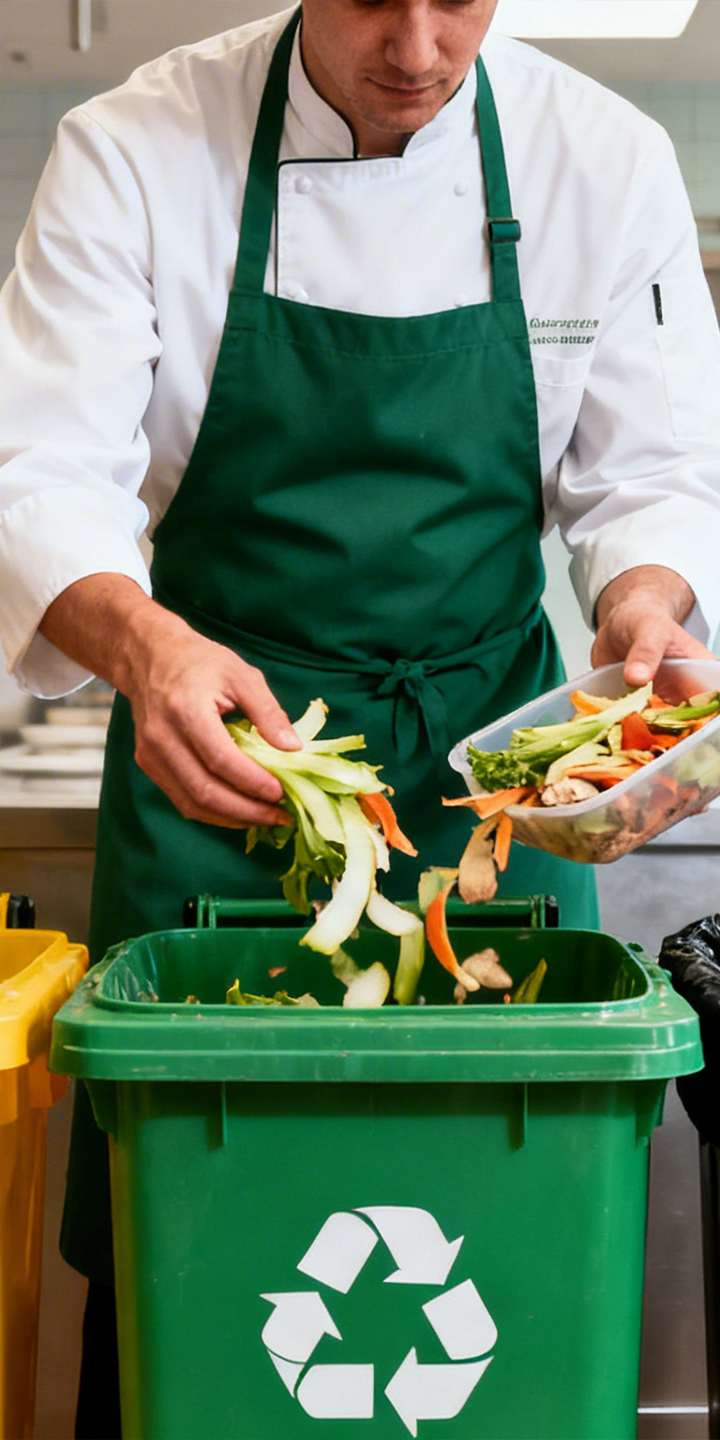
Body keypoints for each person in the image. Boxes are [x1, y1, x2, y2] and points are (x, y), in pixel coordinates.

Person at [0, 1, 719, 1433]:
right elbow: (37, 468)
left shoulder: (601, 156)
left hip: (490, 798)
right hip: (230, 770)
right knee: (192, 1266)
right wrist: (143, 648)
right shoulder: (139, 146)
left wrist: (648, 613)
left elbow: (652, 474)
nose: (415, 42)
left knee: (512, 1244)